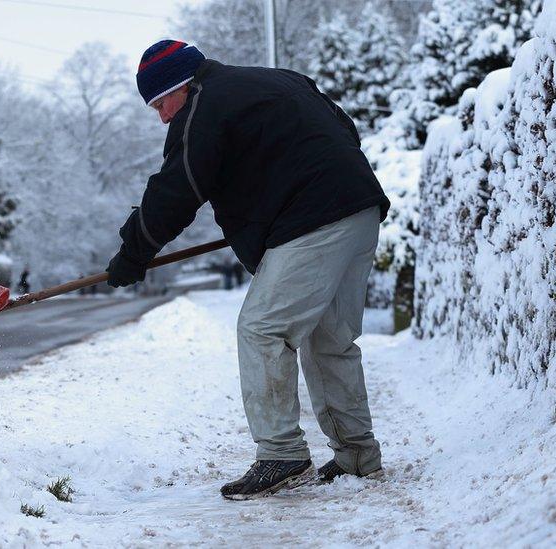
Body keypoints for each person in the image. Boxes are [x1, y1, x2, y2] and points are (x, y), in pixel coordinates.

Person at [105, 40, 390, 500]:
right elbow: (342, 129)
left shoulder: (204, 105)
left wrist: (133, 252)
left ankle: (282, 454)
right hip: (359, 210)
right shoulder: (276, 79)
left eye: (161, 103)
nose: (162, 116)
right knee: (330, 340)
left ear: (181, 85)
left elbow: (179, 187)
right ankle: (357, 457)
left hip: (314, 220)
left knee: (262, 329)